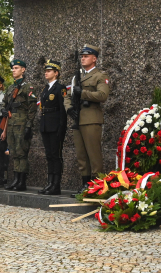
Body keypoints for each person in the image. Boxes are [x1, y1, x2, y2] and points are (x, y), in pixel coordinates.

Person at [63, 44, 110, 196]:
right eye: (82, 56)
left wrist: (83, 93)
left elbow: (103, 96)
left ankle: (97, 187)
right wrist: (69, 108)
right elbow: (68, 97)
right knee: (81, 156)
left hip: (91, 120)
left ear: (94, 58)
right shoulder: (77, 77)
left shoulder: (100, 76)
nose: (82, 58)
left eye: (86, 56)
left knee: (94, 155)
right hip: (78, 119)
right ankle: (85, 186)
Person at [2, 59, 37, 191]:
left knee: (22, 153)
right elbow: (4, 103)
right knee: (14, 153)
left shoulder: (28, 87)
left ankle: (22, 181)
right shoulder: (11, 88)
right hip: (11, 124)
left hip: (22, 124)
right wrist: (4, 110)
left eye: (16, 68)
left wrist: (29, 125)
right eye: (12, 68)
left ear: (23, 70)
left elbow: (32, 108)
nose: (13, 70)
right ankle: (16, 179)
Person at [38, 59, 67, 195]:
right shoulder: (45, 89)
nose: (46, 73)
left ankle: (56, 184)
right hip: (45, 125)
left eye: (49, 71)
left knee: (56, 155)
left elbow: (62, 109)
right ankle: (49, 183)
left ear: (56, 73)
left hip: (55, 125)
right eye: (46, 71)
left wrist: (62, 127)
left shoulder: (60, 88)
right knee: (49, 155)